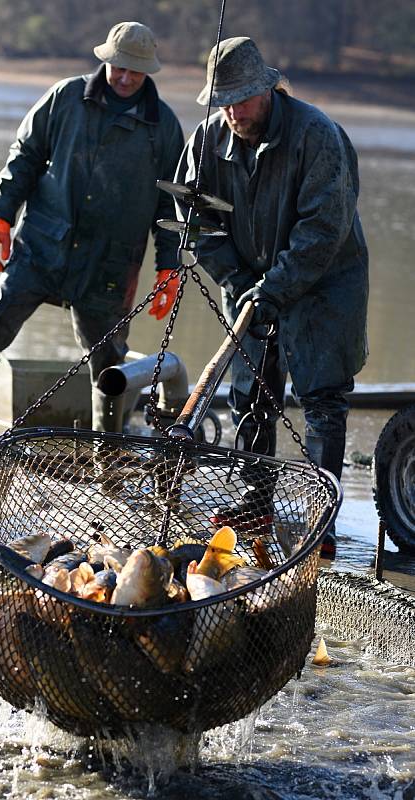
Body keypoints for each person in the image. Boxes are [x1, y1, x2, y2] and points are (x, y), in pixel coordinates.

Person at [0, 21, 184, 457]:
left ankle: (107, 452)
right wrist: (0, 217)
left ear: (148, 72)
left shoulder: (164, 128)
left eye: (134, 71)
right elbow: (23, 157)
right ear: (106, 60)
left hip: (109, 267)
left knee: (109, 362)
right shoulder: (65, 98)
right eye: (118, 67)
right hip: (42, 248)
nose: (124, 77)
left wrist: (169, 268)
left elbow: (170, 208)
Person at [175, 37, 369, 558]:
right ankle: (255, 499)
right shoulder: (207, 141)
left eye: (241, 98)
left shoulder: (316, 135)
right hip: (250, 282)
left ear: (267, 89)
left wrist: (276, 289)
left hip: (326, 282)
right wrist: (238, 282)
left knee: (322, 399)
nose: (233, 111)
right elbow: (197, 225)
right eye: (224, 102)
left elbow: (322, 232)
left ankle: (321, 520)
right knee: (251, 392)